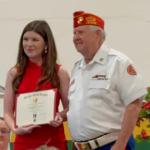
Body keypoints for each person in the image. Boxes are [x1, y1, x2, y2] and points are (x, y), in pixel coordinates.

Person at [67, 11, 147, 150]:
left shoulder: (118, 63)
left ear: (98, 34)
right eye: (74, 33)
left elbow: (135, 103)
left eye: (80, 32)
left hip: (111, 146)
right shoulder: (77, 68)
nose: (75, 37)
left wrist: (121, 144)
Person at [4, 20, 70, 150]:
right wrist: (15, 129)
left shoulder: (60, 72)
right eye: (25, 39)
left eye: (35, 40)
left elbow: (71, 109)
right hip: (23, 142)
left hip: (53, 141)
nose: (28, 44)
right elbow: (7, 112)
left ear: (46, 43)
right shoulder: (14, 73)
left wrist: (60, 117)